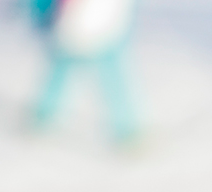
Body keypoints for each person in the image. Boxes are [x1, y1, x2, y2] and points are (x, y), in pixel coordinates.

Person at [29, 0, 139, 147]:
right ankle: (45, 115)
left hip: (92, 20)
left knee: (107, 70)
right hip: (87, 21)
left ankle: (128, 128)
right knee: (65, 66)